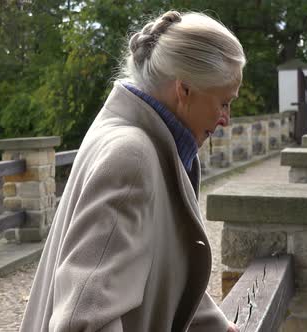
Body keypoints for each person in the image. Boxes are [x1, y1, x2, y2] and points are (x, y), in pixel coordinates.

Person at [19, 10, 244, 332]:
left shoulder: (141, 140)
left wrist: (217, 328)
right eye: (224, 102)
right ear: (185, 90)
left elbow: (162, 269)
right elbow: (82, 321)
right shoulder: (133, 156)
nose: (226, 119)